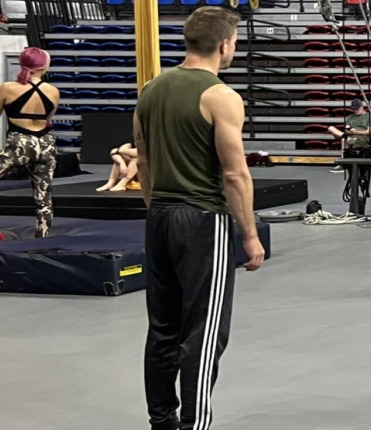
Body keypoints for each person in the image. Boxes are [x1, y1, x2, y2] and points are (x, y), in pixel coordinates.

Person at [134, 7, 265, 430]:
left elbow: (145, 160)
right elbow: (234, 173)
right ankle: (195, 424)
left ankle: (162, 421)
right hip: (203, 220)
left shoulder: (150, 90)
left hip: (159, 218)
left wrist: (157, 208)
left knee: (163, 328)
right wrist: (249, 235)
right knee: (205, 334)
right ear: (225, 44)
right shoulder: (221, 96)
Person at [0, 47, 60, 238]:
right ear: (45, 66)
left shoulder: (8, 88)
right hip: (45, 144)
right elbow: (49, 117)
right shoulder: (53, 91)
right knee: (43, 196)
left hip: (20, 143)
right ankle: (42, 237)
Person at [327, 99, 371, 174]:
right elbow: (347, 129)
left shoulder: (369, 116)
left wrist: (357, 132)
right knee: (330, 128)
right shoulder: (349, 117)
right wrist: (349, 132)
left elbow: (369, 131)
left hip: (362, 137)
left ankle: (343, 164)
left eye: (357, 109)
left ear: (362, 107)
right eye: (354, 109)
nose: (355, 110)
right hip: (350, 135)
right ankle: (344, 136)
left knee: (344, 140)